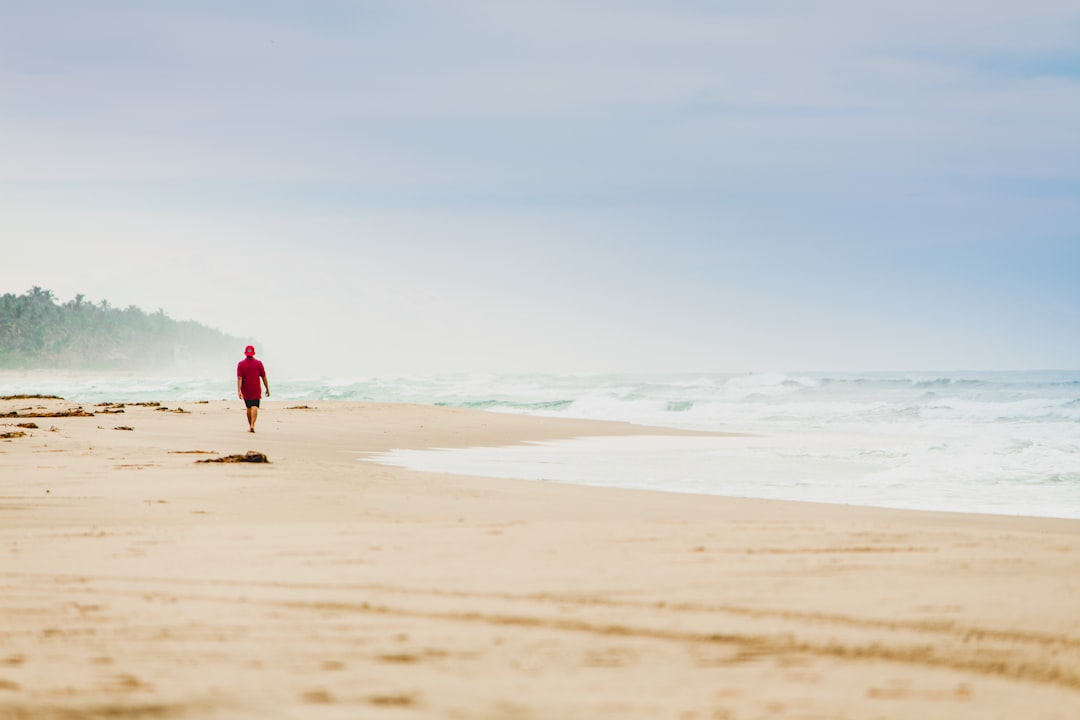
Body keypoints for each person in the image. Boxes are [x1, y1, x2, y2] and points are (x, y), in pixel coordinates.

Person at [236, 345, 269, 432]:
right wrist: (267, 388)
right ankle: (252, 425)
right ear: (254, 353)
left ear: (245, 353)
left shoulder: (240, 364)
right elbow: (264, 377)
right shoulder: (259, 363)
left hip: (246, 389)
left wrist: (239, 390)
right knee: (254, 406)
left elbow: (240, 378)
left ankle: (250, 425)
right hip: (256, 388)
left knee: (248, 407)